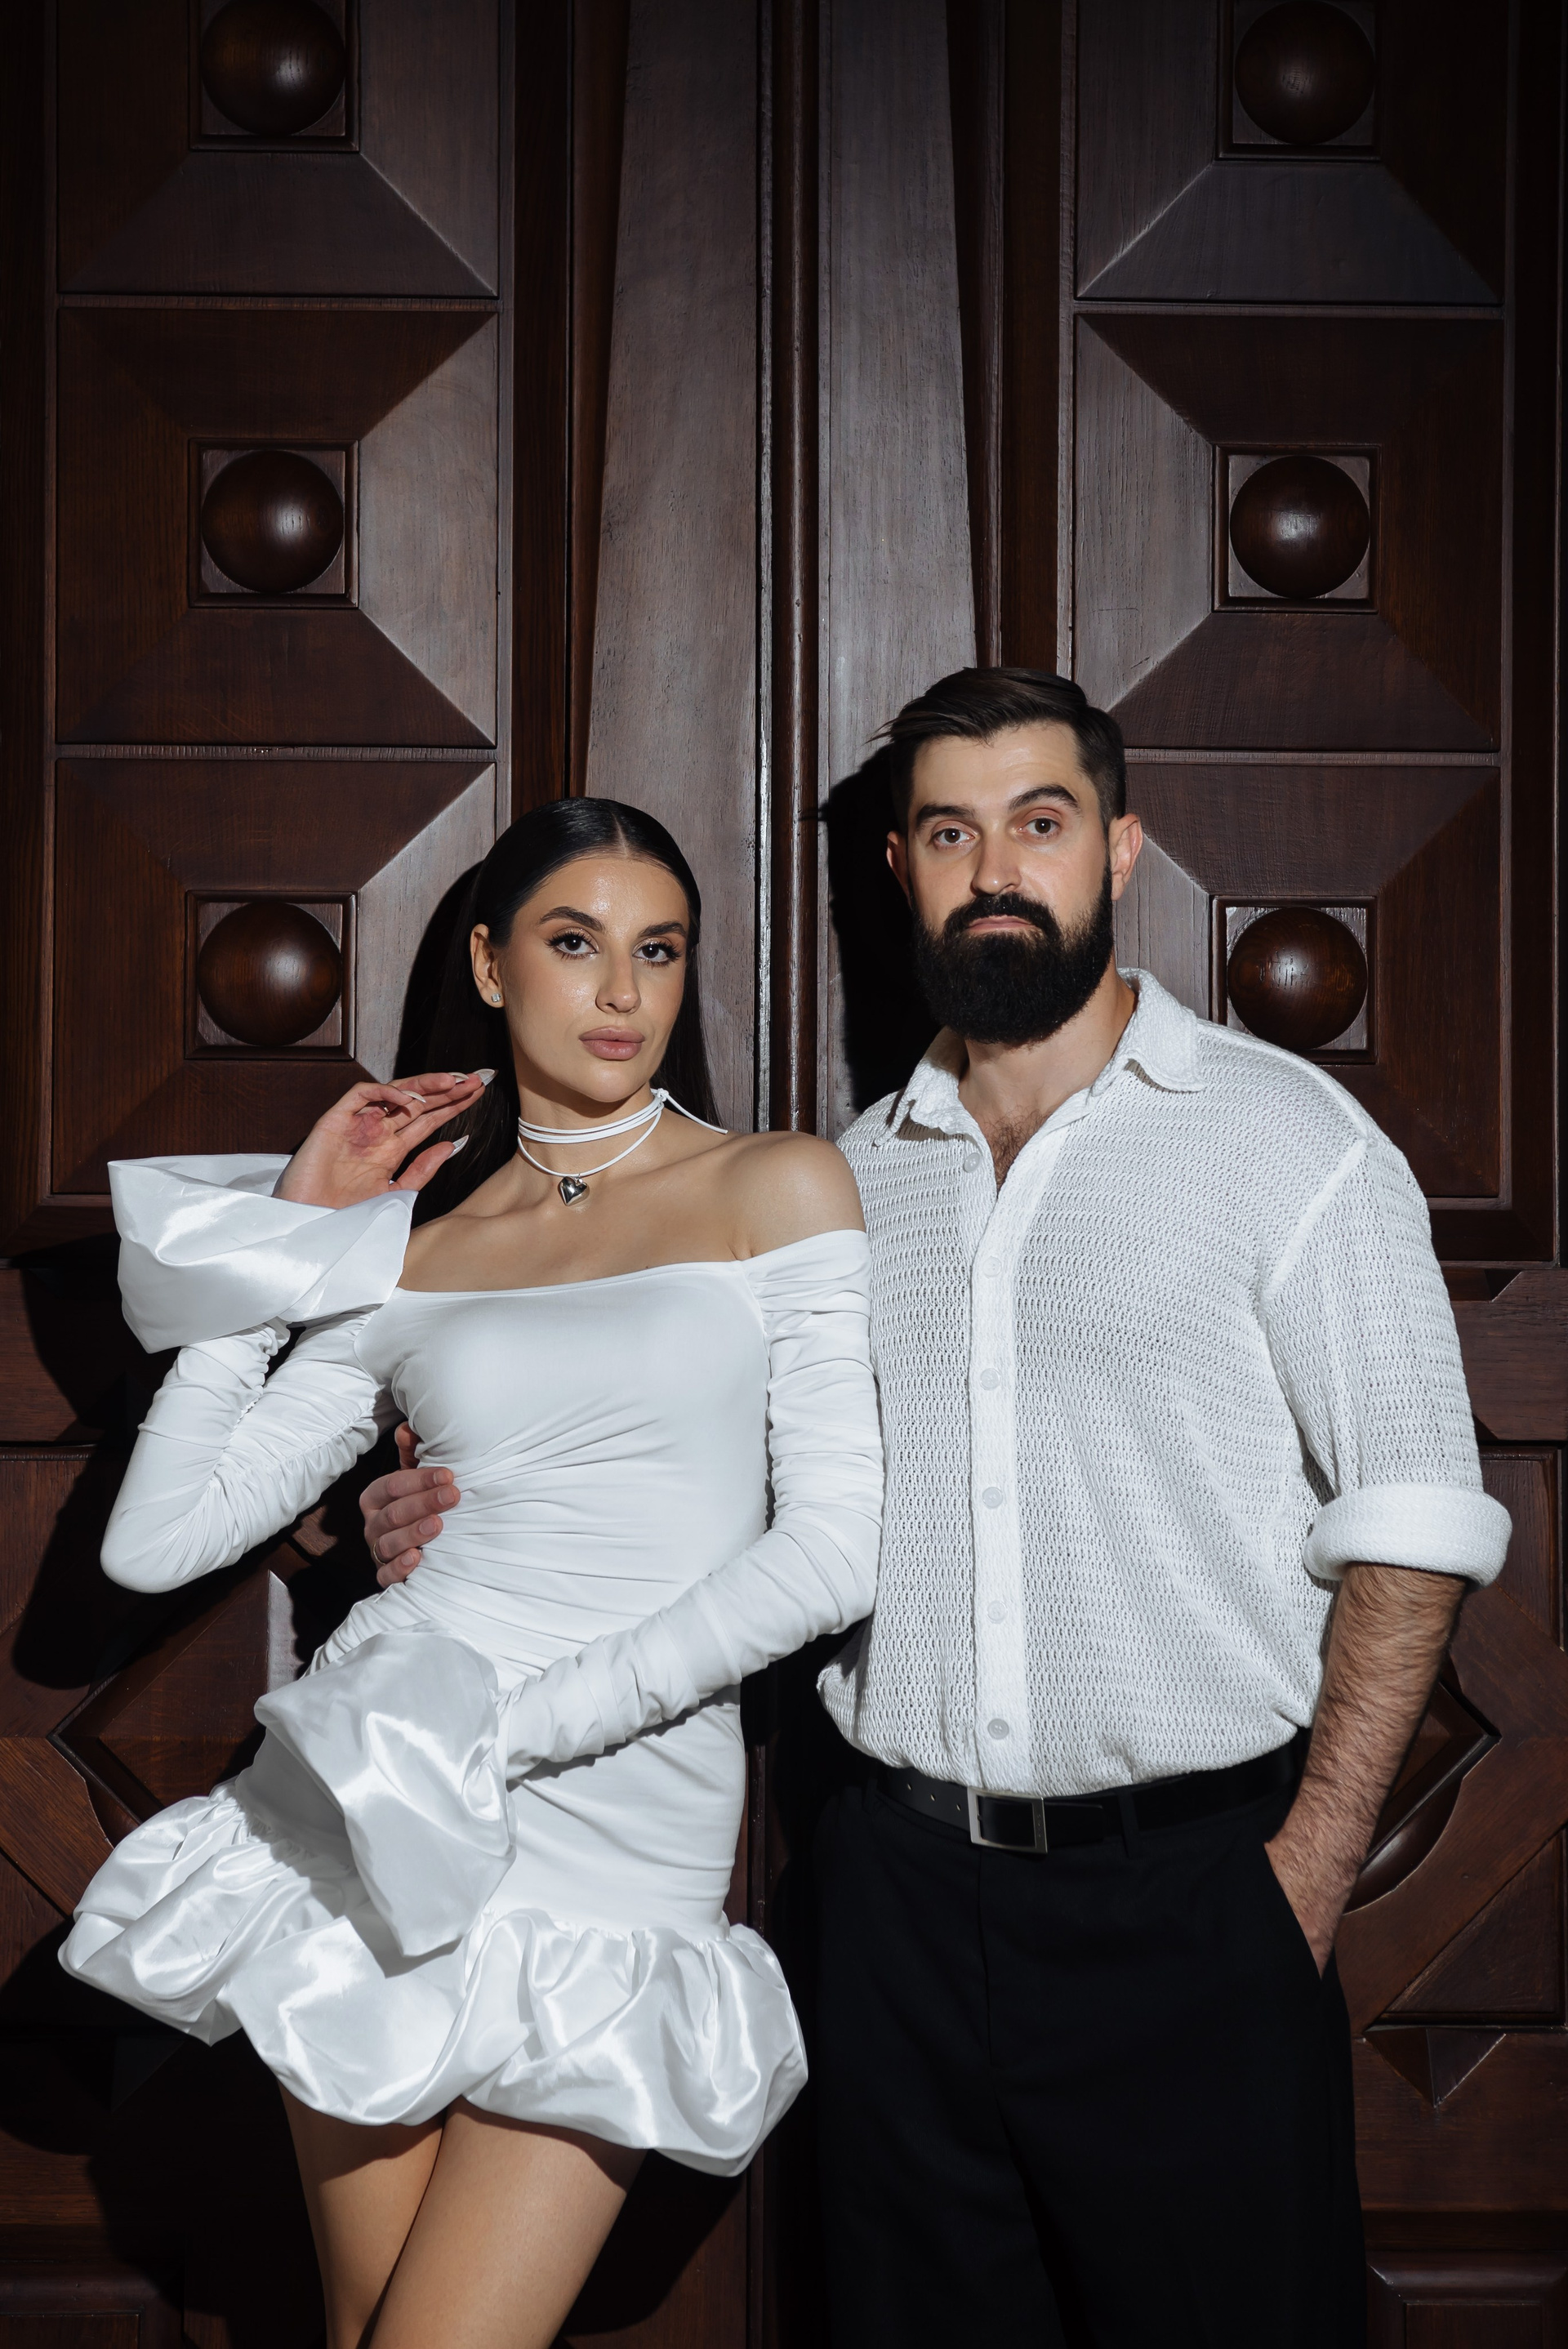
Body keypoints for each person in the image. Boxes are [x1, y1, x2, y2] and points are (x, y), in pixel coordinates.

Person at [368, 671, 1512, 2349]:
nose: (998, 870)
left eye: (1040, 823)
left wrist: (1302, 1882)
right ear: (902, 867)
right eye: (951, 833)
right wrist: (444, 1505)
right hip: (893, 1909)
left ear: (1120, 848)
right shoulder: (839, 1182)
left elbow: (1416, 1516)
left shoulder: (1288, 1142)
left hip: (1196, 1906)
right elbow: (692, 1494)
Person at [60, 798, 882, 2349]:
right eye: (577, 945)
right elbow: (153, 1540)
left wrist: (518, 1731)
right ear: (494, 967)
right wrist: (291, 1243)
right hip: (383, 1792)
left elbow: (836, 1550)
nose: (623, 993)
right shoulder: (408, 1248)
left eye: (660, 952)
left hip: (614, 1811)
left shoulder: (777, 1186)